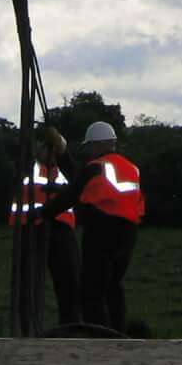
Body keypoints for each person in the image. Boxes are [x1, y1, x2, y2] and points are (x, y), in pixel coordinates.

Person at [48, 119, 143, 332]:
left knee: (92, 292)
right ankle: (119, 335)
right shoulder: (131, 168)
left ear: (98, 145)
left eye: (90, 146)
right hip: (129, 234)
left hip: (102, 232)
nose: (89, 151)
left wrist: (42, 213)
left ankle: (99, 339)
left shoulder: (96, 168)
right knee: (113, 288)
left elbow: (71, 195)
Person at [8, 126, 80, 326]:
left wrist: (62, 151)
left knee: (69, 282)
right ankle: (28, 327)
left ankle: (71, 326)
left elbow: (77, 179)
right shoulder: (27, 166)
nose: (50, 152)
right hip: (29, 227)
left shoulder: (65, 171)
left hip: (61, 229)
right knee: (28, 285)